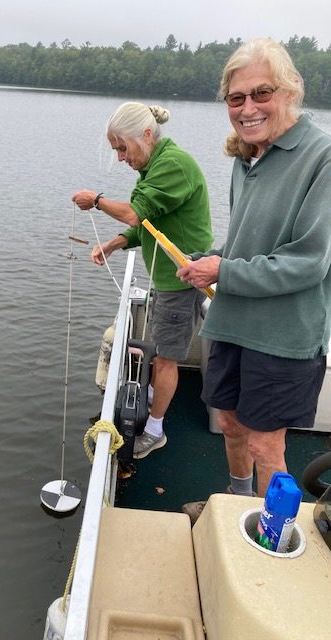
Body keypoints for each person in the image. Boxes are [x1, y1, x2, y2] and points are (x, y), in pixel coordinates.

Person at [177, 37, 331, 522]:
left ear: (290, 91)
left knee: (267, 443)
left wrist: (224, 270)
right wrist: (213, 256)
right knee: (229, 423)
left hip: (284, 334)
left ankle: (271, 540)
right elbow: (244, 242)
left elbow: (309, 262)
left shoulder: (321, 155)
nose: (248, 108)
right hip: (232, 322)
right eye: (236, 98)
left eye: (261, 93)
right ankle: (236, 506)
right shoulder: (247, 156)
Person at [72, 102, 213, 459]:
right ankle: (154, 400)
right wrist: (115, 243)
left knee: (165, 360)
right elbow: (149, 225)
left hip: (181, 280)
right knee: (161, 351)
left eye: (123, 147)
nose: (121, 157)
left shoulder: (172, 166)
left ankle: (155, 430)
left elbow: (136, 213)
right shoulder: (156, 165)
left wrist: (98, 200)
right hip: (168, 277)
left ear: (147, 135)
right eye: (116, 149)